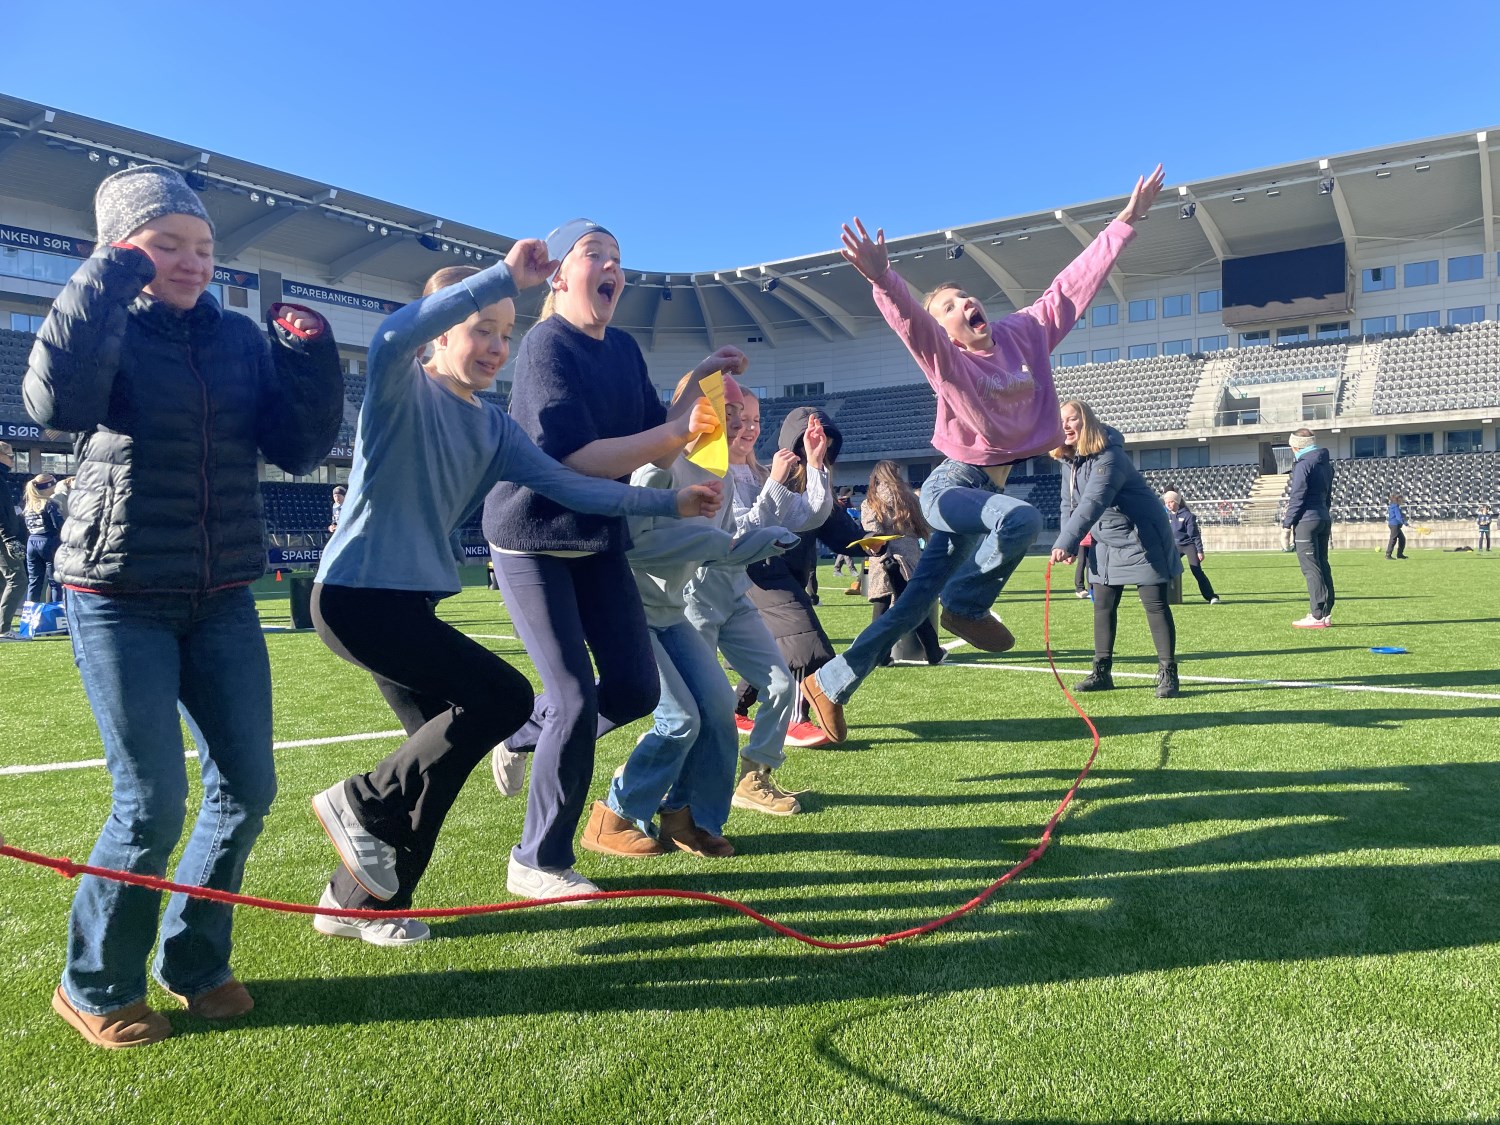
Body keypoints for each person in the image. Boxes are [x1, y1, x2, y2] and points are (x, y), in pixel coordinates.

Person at [307, 252, 721, 941]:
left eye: (505, 333)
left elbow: (573, 487)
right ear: (440, 333)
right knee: (501, 698)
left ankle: (358, 901)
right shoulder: (398, 385)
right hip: (356, 598)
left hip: (406, 607)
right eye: (481, 330)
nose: (498, 347)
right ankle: (361, 800)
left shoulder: (494, 428)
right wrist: (502, 277)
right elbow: (391, 335)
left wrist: (667, 502)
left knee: (444, 750)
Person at [23, 164, 344, 1047]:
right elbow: (55, 401)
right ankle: (95, 985)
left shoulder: (239, 337)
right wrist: (106, 279)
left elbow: (297, 447)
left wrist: (312, 362)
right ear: (119, 251)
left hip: (222, 593)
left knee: (248, 785)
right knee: (151, 802)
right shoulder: (107, 322)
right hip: (117, 592)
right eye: (166, 244)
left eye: (203, 246)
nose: (193, 260)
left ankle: (194, 961)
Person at [805, 165, 1165, 737]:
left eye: (964, 297)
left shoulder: (1023, 334)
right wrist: (883, 279)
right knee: (1022, 519)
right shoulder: (949, 361)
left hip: (987, 489)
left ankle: (828, 685)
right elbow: (914, 326)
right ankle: (968, 605)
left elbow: (1070, 288)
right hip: (952, 487)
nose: (964, 303)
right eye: (949, 306)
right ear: (945, 333)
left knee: (910, 606)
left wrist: (1125, 221)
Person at [483, 219, 735, 902]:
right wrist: (674, 429)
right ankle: (538, 858)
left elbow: (656, 439)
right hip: (532, 538)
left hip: (596, 539)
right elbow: (577, 460)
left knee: (633, 690)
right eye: (596, 254)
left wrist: (698, 382)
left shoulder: (622, 349)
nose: (612, 267)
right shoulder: (545, 344)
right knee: (572, 698)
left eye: (618, 258)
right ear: (560, 274)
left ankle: (521, 732)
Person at [583, 374, 790, 860]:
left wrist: (741, 547)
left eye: (740, 412)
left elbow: (716, 545)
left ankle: (688, 816)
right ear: (692, 407)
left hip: (671, 611)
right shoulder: (659, 464)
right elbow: (635, 547)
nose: (735, 421)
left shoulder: (720, 470)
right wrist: (725, 546)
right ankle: (613, 816)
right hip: (630, 610)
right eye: (725, 409)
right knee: (679, 720)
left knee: (718, 711)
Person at [686, 386, 816, 815]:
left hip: (734, 593)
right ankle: (644, 782)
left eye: (753, 419)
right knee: (694, 708)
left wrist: (816, 466)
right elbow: (734, 536)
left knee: (780, 685)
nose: (747, 427)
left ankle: (753, 778)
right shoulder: (698, 467)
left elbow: (809, 516)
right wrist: (776, 488)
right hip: (694, 597)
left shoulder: (751, 472)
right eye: (736, 417)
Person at [739, 406, 867, 741]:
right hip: (760, 572)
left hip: (788, 575)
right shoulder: (768, 477)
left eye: (826, 443)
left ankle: (734, 708)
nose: (819, 447)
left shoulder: (818, 481)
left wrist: (871, 543)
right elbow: (748, 525)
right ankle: (795, 718)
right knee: (804, 639)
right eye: (808, 442)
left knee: (774, 645)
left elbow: (835, 528)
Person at [1049, 400, 1182, 698]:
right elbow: (1069, 504)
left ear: (1087, 421)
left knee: (1155, 605)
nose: (1066, 426)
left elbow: (1093, 502)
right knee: (1103, 606)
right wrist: (1070, 543)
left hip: (1142, 537)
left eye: (1072, 419)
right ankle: (1101, 672)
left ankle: (1168, 673)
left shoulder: (1110, 457)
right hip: (1105, 540)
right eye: (1061, 421)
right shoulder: (1068, 462)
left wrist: (1065, 542)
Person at [862, 460, 944, 665]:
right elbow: (924, 526)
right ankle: (933, 652)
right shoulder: (909, 498)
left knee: (882, 608)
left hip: (884, 556)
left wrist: (881, 551)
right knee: (914, 606)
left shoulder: (872, 500)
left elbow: (872, 530)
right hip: (910, 556)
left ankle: (879, 655)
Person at [1283, 427, 1335, 628]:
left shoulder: (1303, 464)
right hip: (1323, 517)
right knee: (1323, 564)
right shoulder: (1326, 465)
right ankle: (1325, 612)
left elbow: (1297, 496)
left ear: (1296, 446)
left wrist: (1287, 525)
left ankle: (1317, 614)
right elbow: (1328, 496)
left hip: (1306, 521)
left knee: (1311, 568)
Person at [1162, 490, 1219, 603]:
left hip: (1189, 545)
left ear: (1177, 502)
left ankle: (1211, 597)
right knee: (1164, 567)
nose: (1168, 504)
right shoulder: (1166, 516)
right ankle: (1159, 596)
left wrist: (1200, 550)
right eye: (1166, 502)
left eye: (1171, 502)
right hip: (1175, 546)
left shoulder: (1188, 516)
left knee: (1196, 570)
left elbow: (1194, 534)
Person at [22, 474, 64, 604]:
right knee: (54, 581)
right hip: (48, 542)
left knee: (34, 581)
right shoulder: (50, 504)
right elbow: (59, 525)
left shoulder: (29, 505)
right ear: (48, 486)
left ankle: (30, 612)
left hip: (32, 542)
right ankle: (55, 611)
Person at [0, 441, 26, 638]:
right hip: (3, 537)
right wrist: (9, 538)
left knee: (4, 581)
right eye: (10, 456)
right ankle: (4, 629)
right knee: (18, 580)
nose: (12, 459)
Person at [1385, 493, 1407, 559]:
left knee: (1402, 539)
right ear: (1398, 500)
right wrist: (1405, 523)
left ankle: (1399, 554)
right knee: (1393, 540)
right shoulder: (1396, 507)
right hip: (1395, 525)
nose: (1402, 501)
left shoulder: (1393, 506)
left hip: (1394, 525)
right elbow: (1398, 517)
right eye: (1401, 499)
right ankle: (1388, 554)